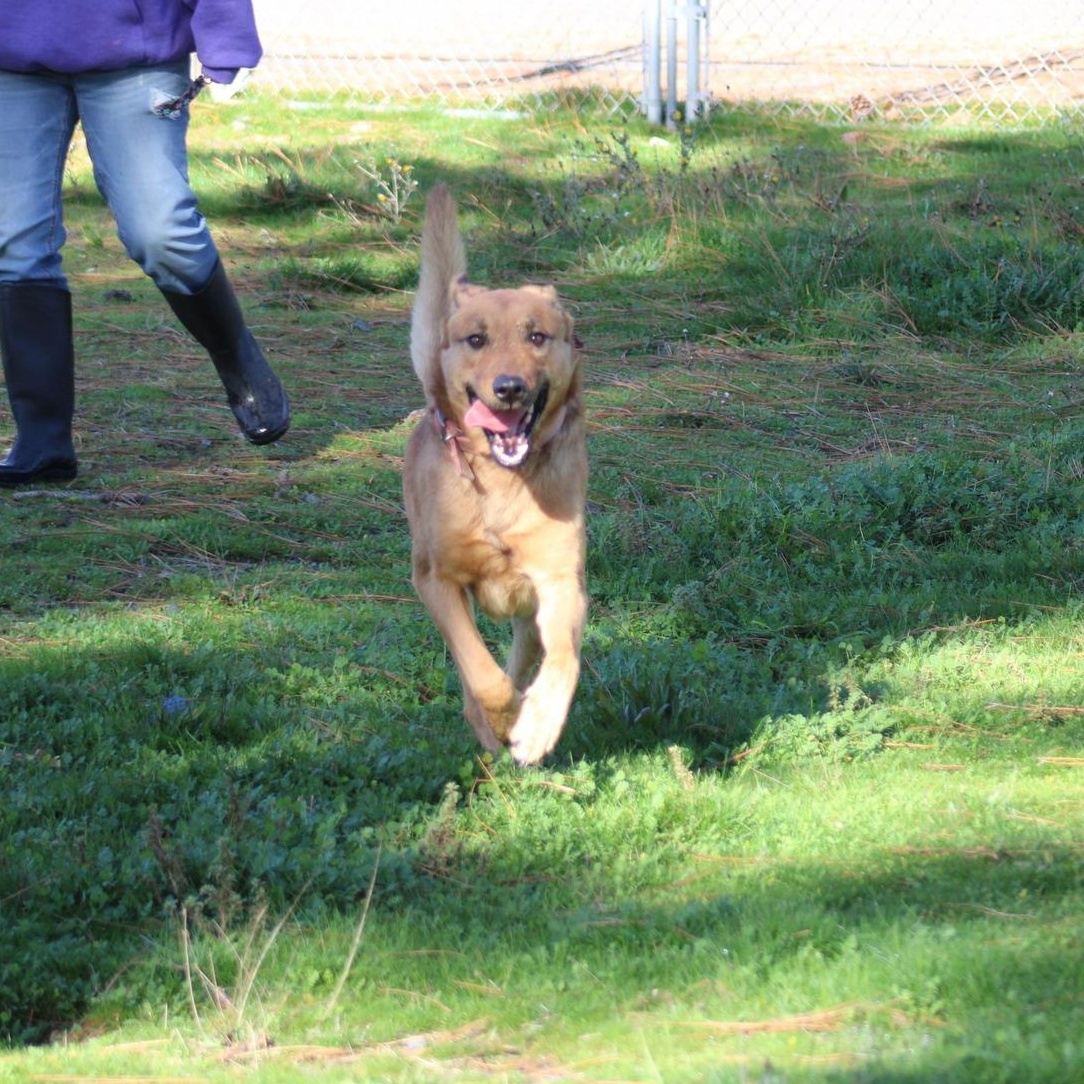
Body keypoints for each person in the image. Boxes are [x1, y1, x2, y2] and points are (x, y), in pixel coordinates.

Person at [0, 0, 291, 487]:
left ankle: (235, 356)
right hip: (12, 55)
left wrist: (227, 37)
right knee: (12, 241)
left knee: (161, 231)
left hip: (136, 54)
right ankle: (42, 442)